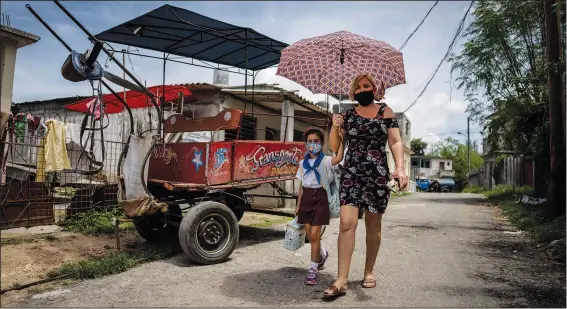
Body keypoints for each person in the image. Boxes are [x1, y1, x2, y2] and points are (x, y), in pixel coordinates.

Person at [323, 74, 409, 298]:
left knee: (373, 226)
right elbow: (337, 149)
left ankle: (369, 271)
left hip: (377, 176)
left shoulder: (385, 111)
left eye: (367, 86)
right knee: (346, 224)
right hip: (351, 174)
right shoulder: (347, 115)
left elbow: (396, 141)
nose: (362, 89)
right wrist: (335, 127)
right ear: (353, 92)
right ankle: (341, 280)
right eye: (358, 87)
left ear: (375, 89)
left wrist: (400, 168)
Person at [295, 128, 344, 285]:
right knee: (310, 236)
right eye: (310, 141)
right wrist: (298, 205)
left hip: (321, 198)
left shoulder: (326, 161)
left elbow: (339, 158)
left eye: (316, 141)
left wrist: (341, 140)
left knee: (315, 235)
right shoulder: (302, 163)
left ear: (322, 144)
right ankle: (322, 254)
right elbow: (302, 186)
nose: (313, 144)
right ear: (306, 144)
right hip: (307, 199)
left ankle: (312, 269)